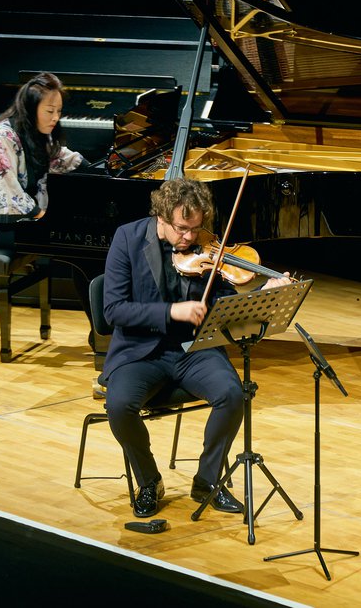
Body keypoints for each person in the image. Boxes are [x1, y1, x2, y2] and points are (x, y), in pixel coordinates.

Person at [101, 177, 292, 518]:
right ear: (161, 217)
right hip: (141, 351)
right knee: (118, 406)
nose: (189, 237)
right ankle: (149, 481)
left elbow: (222, 304)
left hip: (194, 349)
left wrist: (264, 294)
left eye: (195, 228)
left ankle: (207, 482)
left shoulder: (205, 247)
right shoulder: (128, 238)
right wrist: (171, 311)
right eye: (181, 228)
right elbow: (113, 309)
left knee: (233, 394)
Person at [0, 72, 83, 249]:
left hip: (27, 220)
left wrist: (103, 168)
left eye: (59, 111)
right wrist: (47, 217)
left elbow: (62, 157)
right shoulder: (1, 139)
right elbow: (9, 196)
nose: (56, 117)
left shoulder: (36, 132)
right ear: (32, 109)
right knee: (71, 239)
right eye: (50, 111)